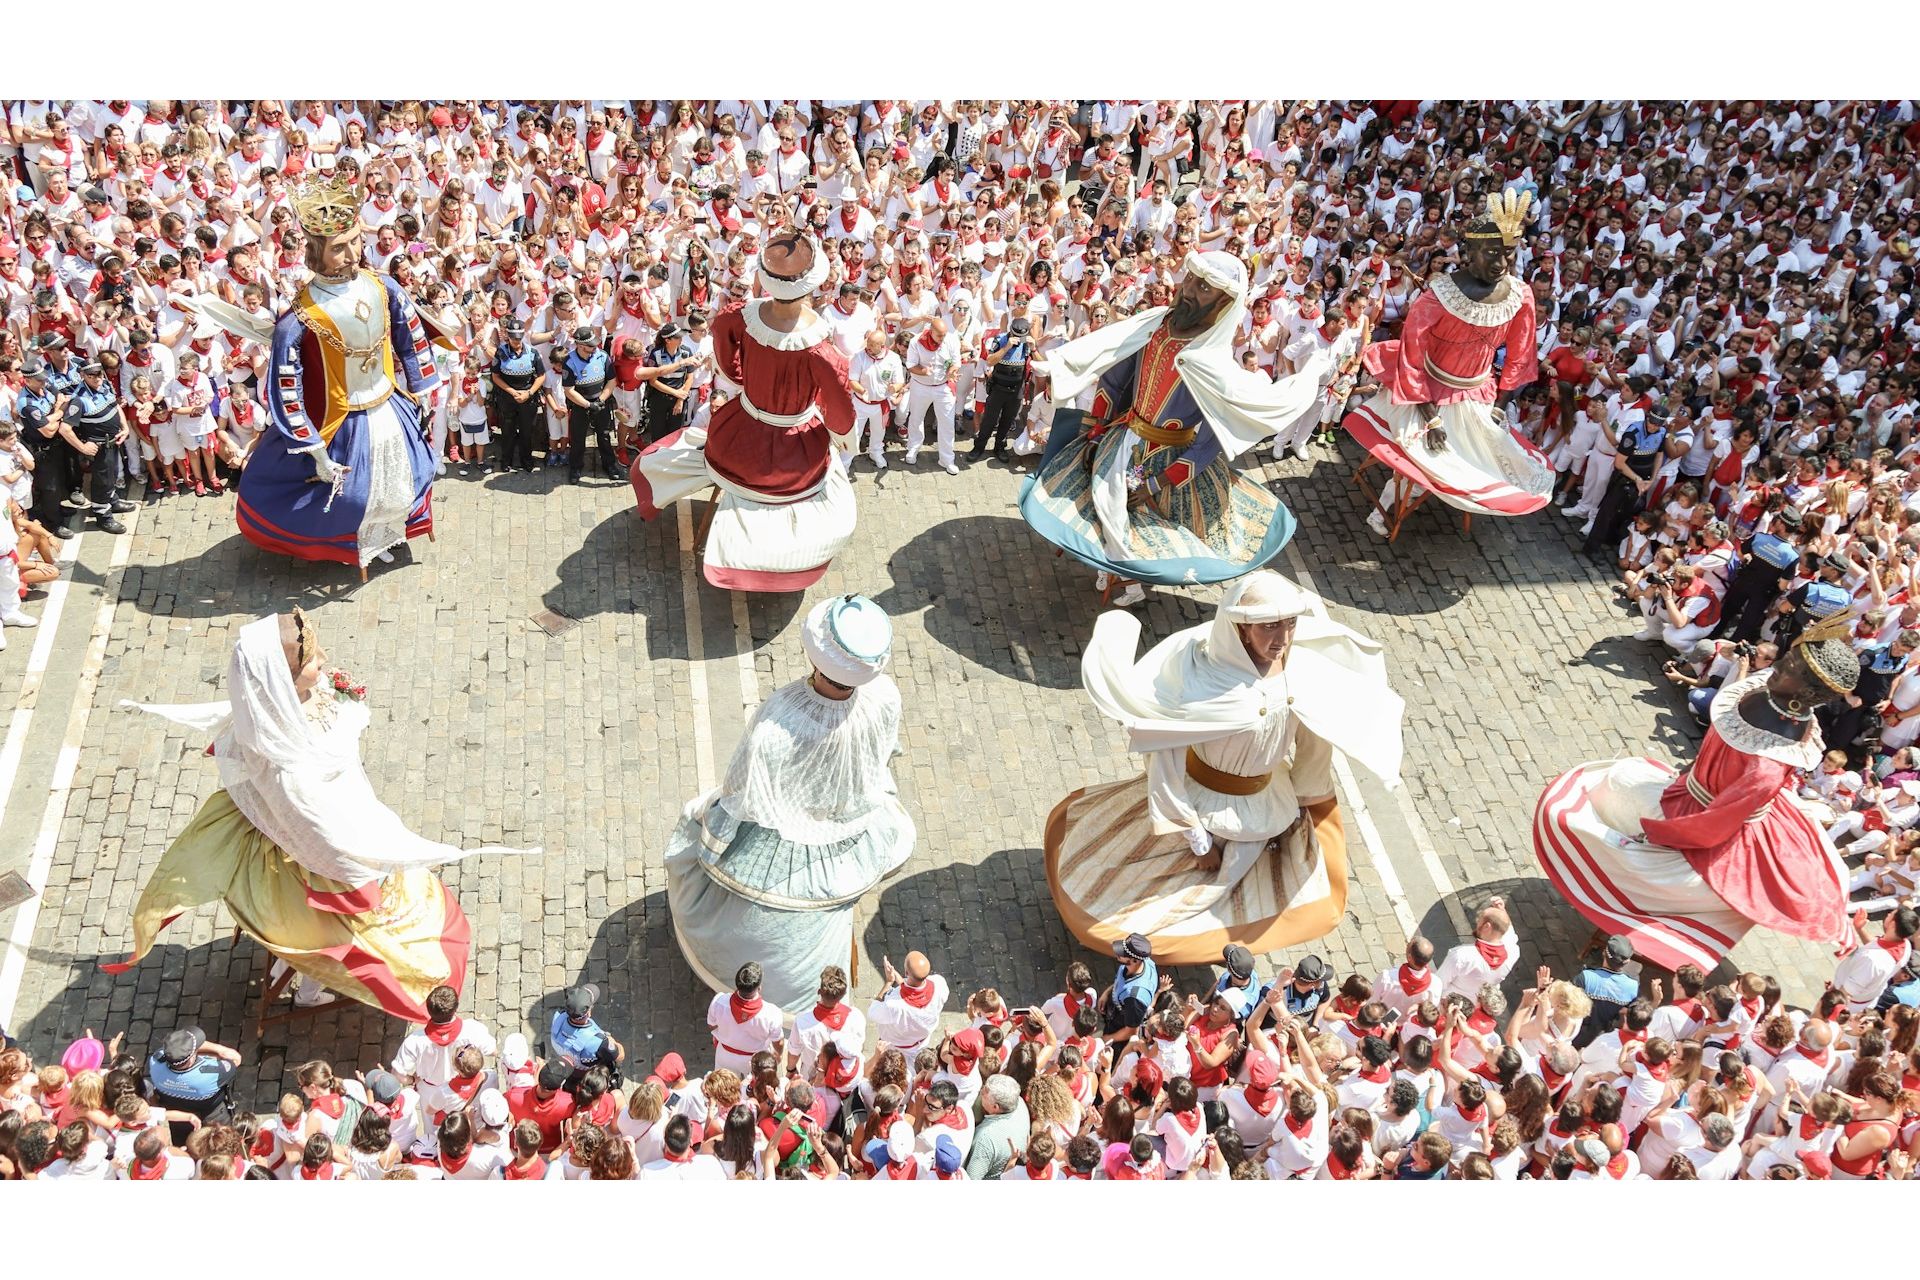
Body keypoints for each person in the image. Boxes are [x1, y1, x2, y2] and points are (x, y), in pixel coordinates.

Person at [106, 610, 531, 1017]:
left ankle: (285, 966)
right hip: (315, 847)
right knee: (341, 936)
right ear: (281, 678)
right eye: (311, 660)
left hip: (335, 816)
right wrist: (365, 864)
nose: (324, 661)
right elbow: (315, 830)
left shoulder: (277, 704)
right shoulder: (281, 761)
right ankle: (309, 988)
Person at [1049, 570, 1403, 962]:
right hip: (1200, 807)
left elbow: (1314, 738)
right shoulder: (1202, 684)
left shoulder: (1301, 670)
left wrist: (1309, 796)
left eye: (1289, 624)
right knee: (1177, 898)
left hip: (1265, 804)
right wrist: (1196, 839)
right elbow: (1164, 762)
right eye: (1269, 625)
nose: (1282, 638)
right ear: (1241, 628)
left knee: (1237, 896)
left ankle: (1223, 951)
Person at [1537, 617, 1860, 971]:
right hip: (1695, 792)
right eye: (1790, 656)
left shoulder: (1769, 762)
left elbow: (1717, 823)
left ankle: (1641, 922)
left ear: (1806, 693)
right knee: (1621, 780)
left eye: (1792, 666)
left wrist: (1658, 833)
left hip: (1709, 825)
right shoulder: (1763, 690)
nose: (1781, 663)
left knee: (1629, 840)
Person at [1024, 251, 1317, 607]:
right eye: (1191, 279)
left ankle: (1129, 578)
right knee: (1094, 498)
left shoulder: (1214, 364)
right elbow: (1116, 379)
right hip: (1123, 435)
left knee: (1130, 518)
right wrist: (1096, 429)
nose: (1190, 290)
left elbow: (1209, 442)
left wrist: (1156, 483)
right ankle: (1114, 565)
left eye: (1205, 288)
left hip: (1166, 462)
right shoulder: (1154, 324)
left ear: (1224, 302)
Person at [664, 594, 913, 1008]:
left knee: (697, 821)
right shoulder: (884, 697)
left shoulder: (778, 719)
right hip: (848, 825)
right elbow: (881, 757)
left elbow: (741, 789)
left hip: (778, 828)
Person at [199, 172, 441, 576]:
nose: (350, 256)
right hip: (341, 419)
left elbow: (411, 337)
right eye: (338, 249)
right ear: (315, 251)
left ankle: (386, 533)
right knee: (353, 494)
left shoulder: (383, 287)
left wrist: (424, 390)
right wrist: (314, 450)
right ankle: (356, 542)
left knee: (409, 474)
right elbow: (287, 389)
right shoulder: (299, 318)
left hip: (387, 403)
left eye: (353, 244)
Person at [632, 231, 856, 592]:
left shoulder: (740, 317)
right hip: (792, 444)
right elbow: (841, 415)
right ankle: (775, 558)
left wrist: (745, 379)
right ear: (810, 287)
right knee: (824, 477)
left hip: (742, 425)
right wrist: (843, 438)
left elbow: (726, 356)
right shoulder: (821, 352)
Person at [1347, 190, 1554, 535]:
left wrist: (1500, 404)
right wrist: (1430, 419)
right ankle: (1385, 509)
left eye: (1508, 253)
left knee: (1480, 460)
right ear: (1468, 253)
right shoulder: (1436, 297)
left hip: (1478, 396)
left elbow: (1521, 355)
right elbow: (1412, 362)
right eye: (1491, 253)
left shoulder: (1521, 294)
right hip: (1427, 393)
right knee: (1425, 457)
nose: (1501, 263)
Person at [56, 359, 134, 536]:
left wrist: (125, 427)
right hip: (100, 446)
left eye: (99, 374)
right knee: (102, 481)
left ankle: (112, 501)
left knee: (112, 474)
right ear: (82, 375)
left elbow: (115, 407)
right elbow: (65, 429)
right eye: (91, 375)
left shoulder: (104, 384)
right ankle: (103, 515)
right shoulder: (79, 400)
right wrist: (83, 447)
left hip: (114, 441)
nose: (97, 378)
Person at [559, 326, 617, 482]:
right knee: (578, 438)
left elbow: (611, 381)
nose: (595, 347)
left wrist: (601, 400)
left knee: (604, 436)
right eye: (591, 345)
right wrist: (587, 405)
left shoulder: (602, 356)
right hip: (580, 405)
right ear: (579, 345)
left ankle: (609, 464)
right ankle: (576, 467)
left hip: (601, 401)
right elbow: (569, 390)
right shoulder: (569, 362)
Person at [972, 315, 1032, 459]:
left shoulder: (1027, 343)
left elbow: (1035, 364)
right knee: (989, 420)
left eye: (1022, 336)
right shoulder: (1000, 339)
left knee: (1007, 419)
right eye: (1017, 336)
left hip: (1017, 388)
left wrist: (1034, 349)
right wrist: (1006, 348)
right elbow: (990, 361)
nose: (1019, 339)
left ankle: (1000, 447)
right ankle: (979, 447)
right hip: (998, 387)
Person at [490, 318, 543, 472]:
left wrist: (529, 393)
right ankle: (506, 460)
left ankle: (527, 460)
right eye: (513, 338)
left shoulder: (533, 353)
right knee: (507, 431)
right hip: (508, 397)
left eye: (519, 338)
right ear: (508, 335)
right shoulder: (501, 352)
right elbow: (495, 376)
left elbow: (541, 376)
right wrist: (512, 392)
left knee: (527, 431)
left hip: (527, 397)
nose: (516, 341)